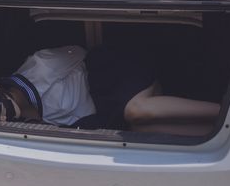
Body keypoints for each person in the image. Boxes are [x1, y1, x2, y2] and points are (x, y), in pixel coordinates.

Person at [76, 45, 220, 135]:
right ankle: (220, 132)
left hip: (105, 75)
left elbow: (77, 53)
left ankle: (227, 112)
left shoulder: (60, 61)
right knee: (139, 130)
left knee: (135, 110)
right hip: (99, 111)